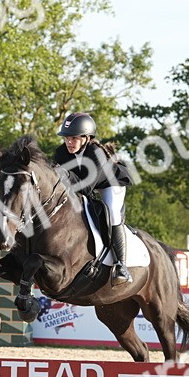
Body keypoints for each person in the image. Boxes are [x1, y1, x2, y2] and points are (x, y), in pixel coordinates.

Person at [52, 111, 135, 285]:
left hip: (111, 185)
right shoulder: (61, 153)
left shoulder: (96, 153)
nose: (69, 142)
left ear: (86, 138)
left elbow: (86, 188)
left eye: (74, 138)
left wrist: (64, 173)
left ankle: (121, 266)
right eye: (66, 138)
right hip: (86, 185)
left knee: (112, 212)